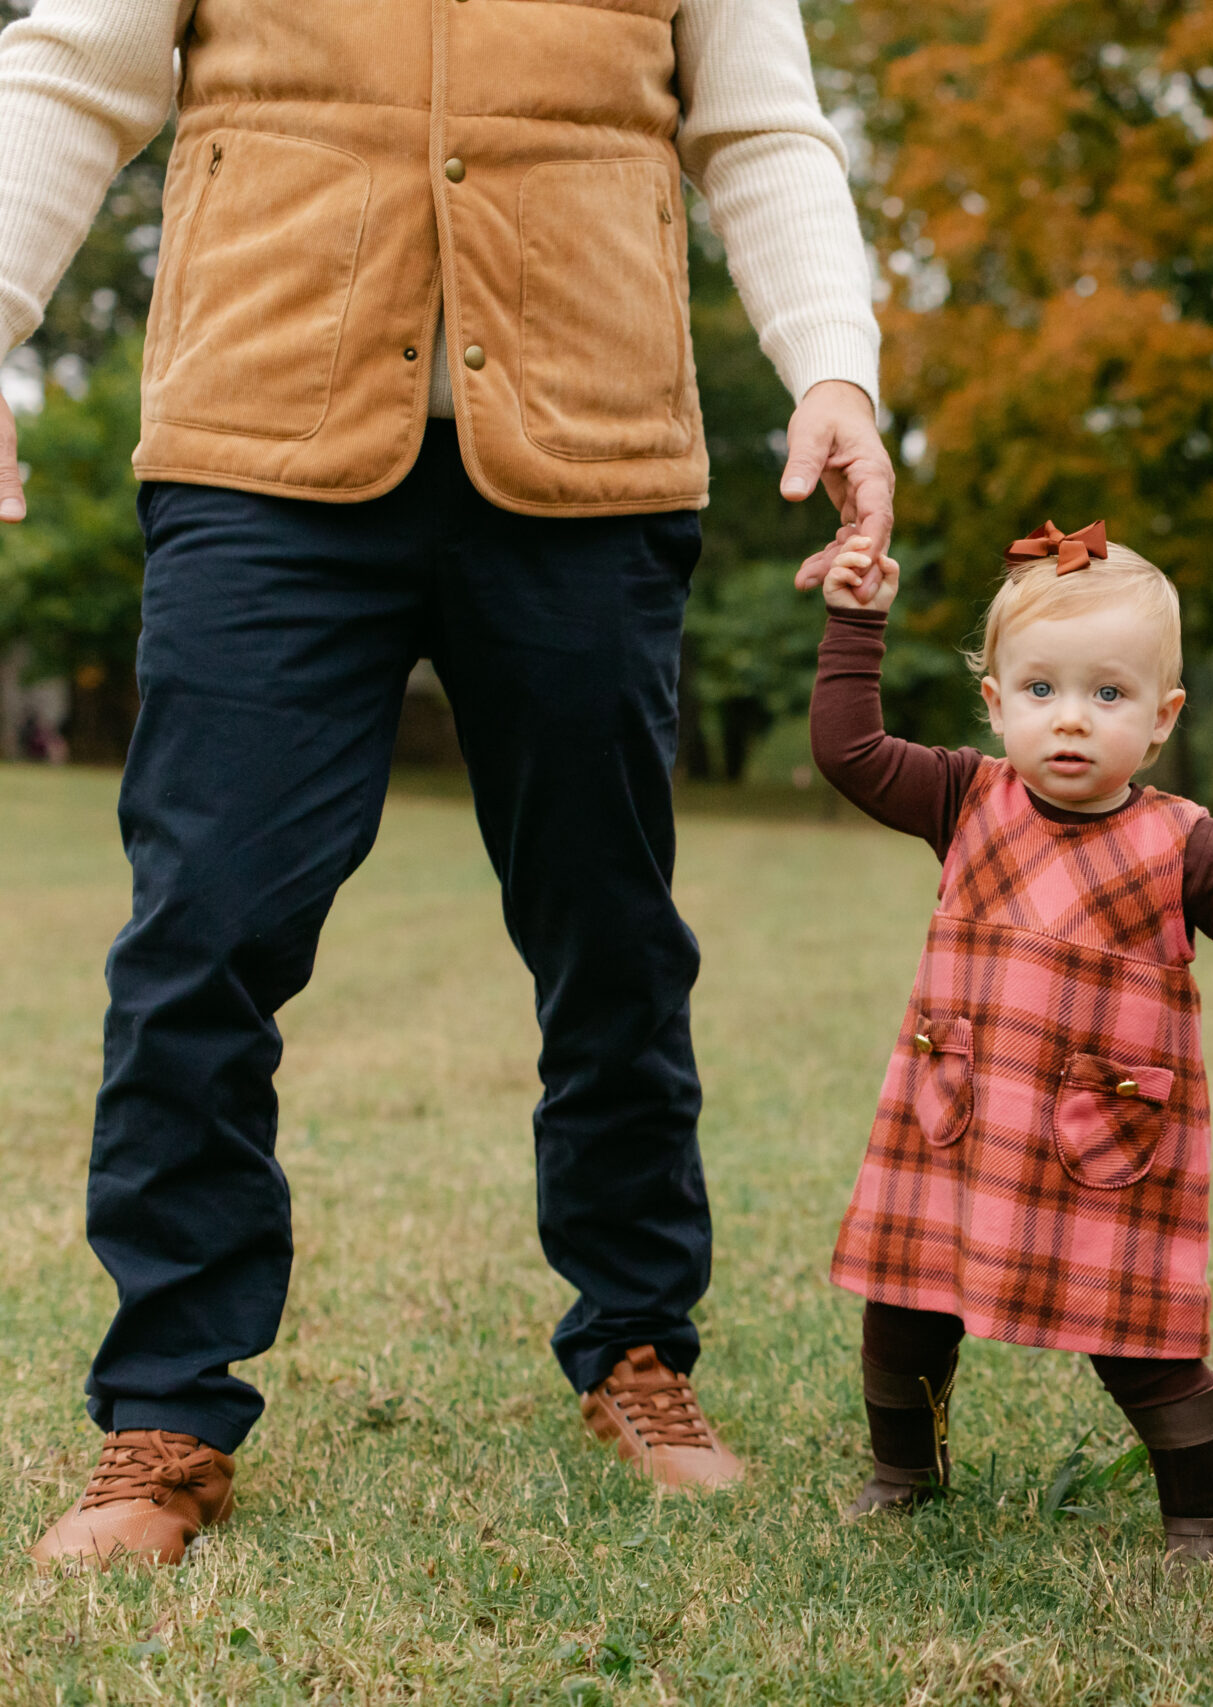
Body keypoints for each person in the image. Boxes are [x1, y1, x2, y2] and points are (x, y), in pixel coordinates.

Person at [0, 0, 893, 1567]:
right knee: (199, 932)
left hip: (590, 459)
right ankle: (167, 1409)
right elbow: (71, 73)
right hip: (259, 451)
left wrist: (835, 368)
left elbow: (759, 126)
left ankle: (637, 1345)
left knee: (609, 934)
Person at [805, 519, 1213, 1563]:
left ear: (1162, 718)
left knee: (1140, 1340)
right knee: (908, 1301)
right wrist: (854, 621)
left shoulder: (1182, 843)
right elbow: (845, 750)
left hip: (1104, 1145)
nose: (1070, 721)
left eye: (1107, 695)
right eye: (1041, 691)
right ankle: (904, 1474)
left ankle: (1203, 1513)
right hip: (960, 1121)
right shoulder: (963, 798)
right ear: (995, 702)